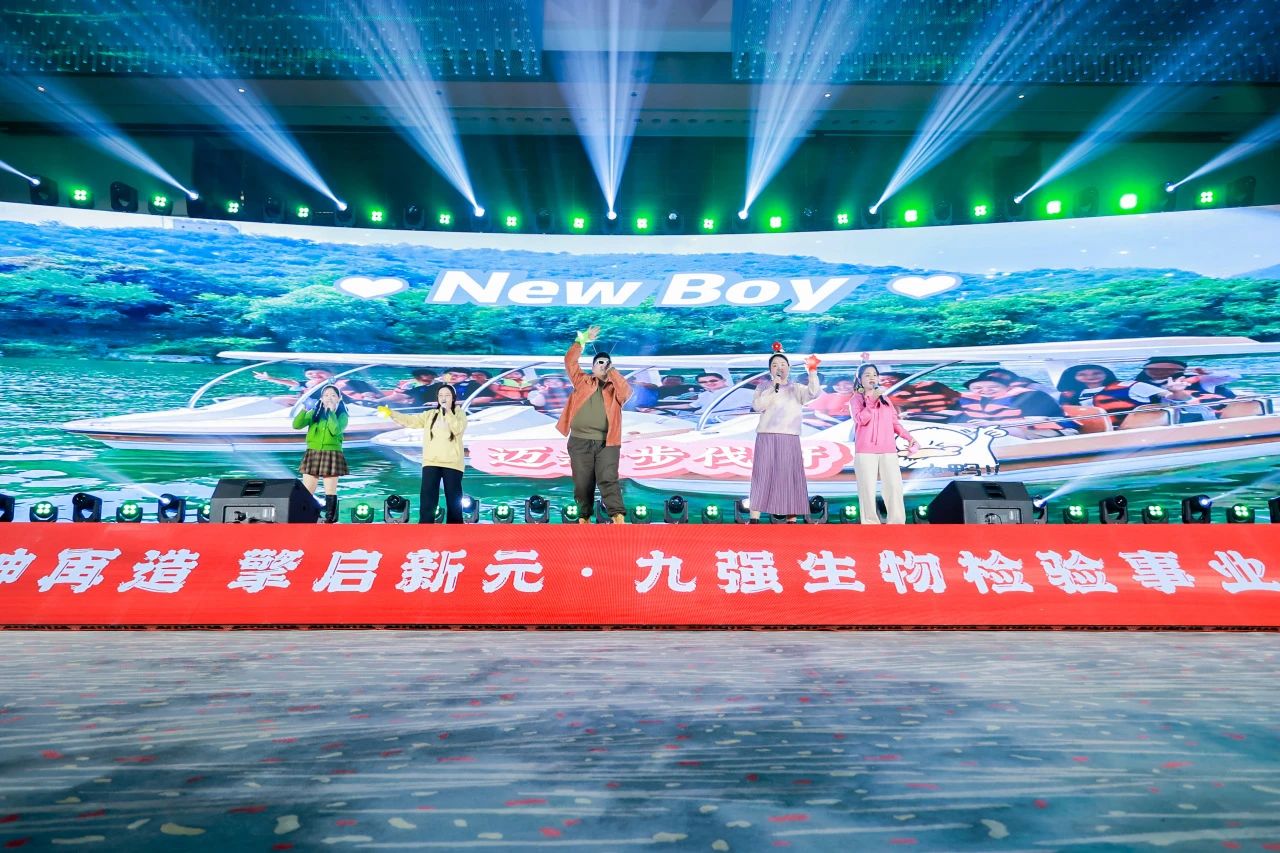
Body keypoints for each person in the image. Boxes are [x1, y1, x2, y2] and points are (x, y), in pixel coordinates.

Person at [557, 326, 632, 524]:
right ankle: (584, 517)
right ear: (592, 367)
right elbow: (569, 361)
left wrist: (611, 371)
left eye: (606, 363)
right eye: (599, 363)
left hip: (607, 443)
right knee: (582, 482)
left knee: (608, 479)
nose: (602, 365)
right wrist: (582, 340)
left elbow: (626, 392)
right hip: (579, 440)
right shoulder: (582, 381)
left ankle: (617, 517)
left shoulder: (616, 389)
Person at [748, 351, 820, 523]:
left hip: (789, 436)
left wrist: (812, 372)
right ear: (770, 370)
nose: (779, 367)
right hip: (766, 436)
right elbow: (758, 406)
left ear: (788, 367)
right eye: (774, 365)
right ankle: (754, 518)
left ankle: (791, 519)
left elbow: (813, 392)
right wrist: (774, 387)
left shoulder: (796, 388)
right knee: (762, 475)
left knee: (789, 476)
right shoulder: (763, 387)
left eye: (782, 364)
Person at [378, 385, 467, 523]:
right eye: (441, 395)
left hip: (452, 462)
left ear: (453, 398)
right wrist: (391, 413)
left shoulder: (459, 414)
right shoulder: (430, 415)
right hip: (431, 461)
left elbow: (457, 429)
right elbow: (411, 421)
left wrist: (448, 412)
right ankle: (425, 526)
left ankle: (455, 527)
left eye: (447, 395)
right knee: (427, 498)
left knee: (453, 497)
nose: (443, 398)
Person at [850, 364, 919, 524]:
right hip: (866, 451)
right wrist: (872, 400)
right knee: (867, 489)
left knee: (894, 487)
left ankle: (896, 522)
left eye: (874, 375)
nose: (872, 378)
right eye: (867, 375)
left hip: (888, 449)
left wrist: (909, 438)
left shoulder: (885, 399)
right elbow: (861, 419)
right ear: (860, 379)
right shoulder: (856, 399)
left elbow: (895, 423)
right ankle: (870, 523)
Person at [1056, 363, 1189, 428]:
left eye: (1096, 373)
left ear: (1106, 374)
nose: (1090, 377)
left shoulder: (1131, 385)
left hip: (1134, 430)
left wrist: (1176, 391)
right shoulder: (1071, 395)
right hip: (1094, 431)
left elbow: (1170, 397)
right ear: (1074, 377)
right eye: (1082, 374)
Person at [291, 384, 349, 523]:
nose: (329, 398)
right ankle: (305, 518)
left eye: (333, 395)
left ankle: (330, 520)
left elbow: (335, 430)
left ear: (339, 399)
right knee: (306, 492)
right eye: (326, 395)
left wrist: (331, 412)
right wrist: (305, 409)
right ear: (321, 398)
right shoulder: (314, 413)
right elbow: (296, 425)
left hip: (331, 454)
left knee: (330, 491)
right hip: (313, 453)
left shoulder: (342, 415)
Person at [954, 377, 1078, 437]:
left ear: (1008, 388)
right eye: (977, 388)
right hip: (1009, 431)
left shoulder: (1031, 396)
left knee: (994, 433)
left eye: (993, 387)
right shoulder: (973, 401)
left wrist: (992, 424)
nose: (986, 390)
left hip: (1060, 431)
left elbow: (1040, 420)